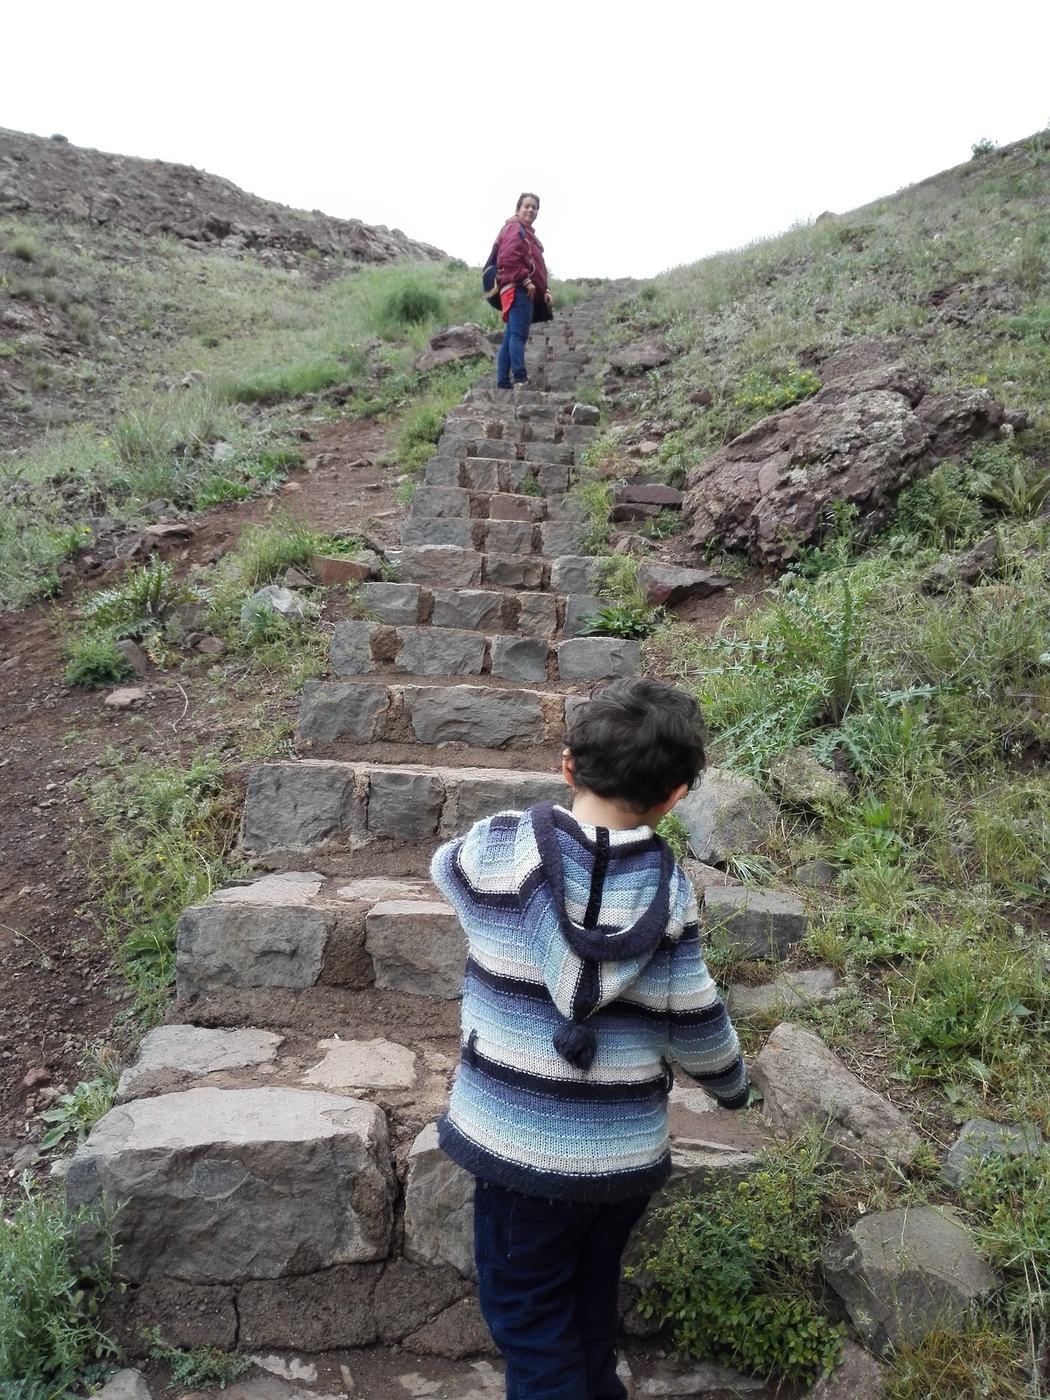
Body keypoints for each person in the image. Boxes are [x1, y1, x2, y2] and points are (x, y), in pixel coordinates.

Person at [430, 678, 749, 1400]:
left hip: (518, 1154)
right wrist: (732, 1086)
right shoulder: (668, 894)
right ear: (676, 795)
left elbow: (442, 869)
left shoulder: (500, 846)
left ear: (568, 766)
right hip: (619, 1161)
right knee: (587, 1305)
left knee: (529, 1319)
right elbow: (696, 1018)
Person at [494, 192, 553, 389]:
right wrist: (526, 281)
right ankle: (520, 378)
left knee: (511, 335)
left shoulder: (525, 233)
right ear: (518, 209)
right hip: (518, 288)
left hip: (516, 288)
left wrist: (546, 289)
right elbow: (509, 257)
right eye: (526, 206)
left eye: (534, 207)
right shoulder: (514, 228)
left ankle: (503, 382)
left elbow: (537, 267)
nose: (530, 210)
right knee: (518, 335)